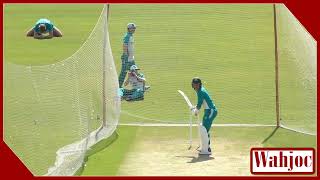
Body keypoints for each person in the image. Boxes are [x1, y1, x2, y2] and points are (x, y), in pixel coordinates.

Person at [191, 77, 218, 155]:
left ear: (199, 84)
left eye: (197, 84)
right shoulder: (200, 90)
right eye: (194, 84)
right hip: (208, 111)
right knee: (204, 129)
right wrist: (195, 108)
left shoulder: (200, 91)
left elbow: (200, 103)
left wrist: (196, 111)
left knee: (204, 129)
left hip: (211, 111)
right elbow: (201, 102)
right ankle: (206, 147)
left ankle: (207, 150)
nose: (195, 86)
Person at [118, 23, 137, 87]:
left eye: (134, 28)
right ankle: (118, 87)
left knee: (135, 71)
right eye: (132, 28)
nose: (134, 29)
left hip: (131, 58)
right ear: (128, 29)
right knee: (123, 73)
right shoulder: (127, 36)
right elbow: (124, 45)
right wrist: (126, 55)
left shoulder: (131, 36)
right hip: (127, 58)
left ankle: (138, 86)